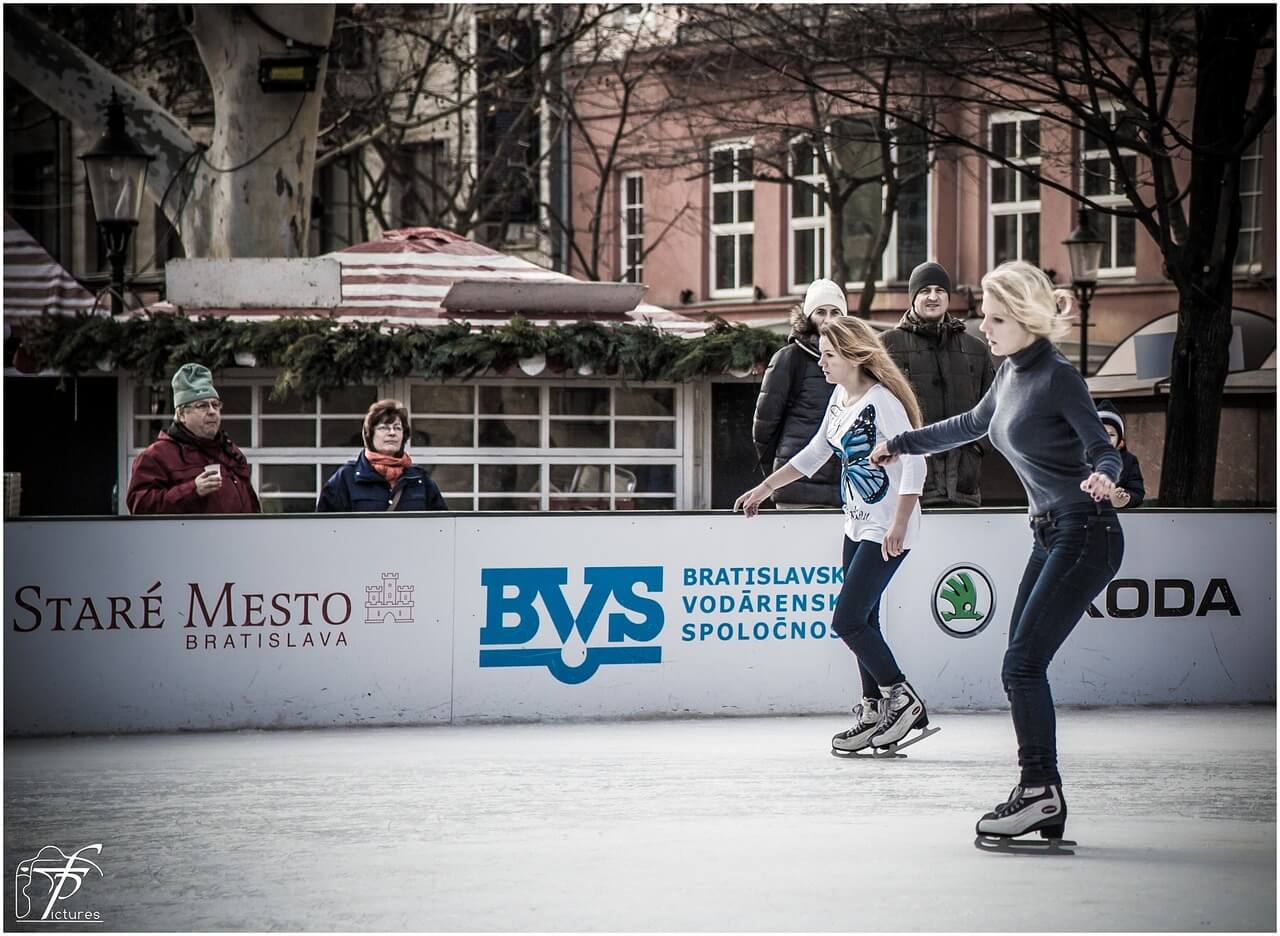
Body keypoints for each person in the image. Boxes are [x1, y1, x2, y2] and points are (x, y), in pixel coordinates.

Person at [871, 260, 1124, 848]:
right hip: (1049, 531)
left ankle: (1038, 792)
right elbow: (968, 424)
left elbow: (1099, 446)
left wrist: (1103, 476)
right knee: (1019, 661)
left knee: (1021, 666)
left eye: (996, 318)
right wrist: (902, 443)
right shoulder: (1008, 372)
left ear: (1027, 319)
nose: (984, 328)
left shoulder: (1059, 377)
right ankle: (1044, 796)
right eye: (984, 316)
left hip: (1086, 529)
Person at [736, 315, 935, 756]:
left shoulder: (882, 401)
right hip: (856, 522)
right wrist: (765, 488)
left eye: (828, 355)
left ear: (852, 356)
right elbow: (816, 452)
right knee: (865, 620)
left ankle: (903, 698)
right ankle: (873, 709)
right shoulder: (842, 397)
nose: (822, 363)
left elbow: (915, 463)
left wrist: (900, 524)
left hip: (886, 526)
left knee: (845, 620)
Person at [881, 260, 996, 507]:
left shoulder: (974, 348)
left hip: (964, 484)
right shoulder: (886, 347)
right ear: (913, 297)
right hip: (909, 485)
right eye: (925, 291)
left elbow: (995, 408)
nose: (933, 297)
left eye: (940, 290)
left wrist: (977, 448)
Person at [751, 279, 847, 509]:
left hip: (844, 491)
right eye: (820, 312)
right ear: (808, 316)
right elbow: (764, 427)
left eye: (835, 312)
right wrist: (780, 475)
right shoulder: (789, 358)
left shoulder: (854, 360)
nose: (828, 319)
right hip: (797, 490)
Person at [126, 363, 261, 515]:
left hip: (238, 538)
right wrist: (192, 490)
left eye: (215, 405)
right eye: (202, 406)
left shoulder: (230, 451)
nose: (212, 412)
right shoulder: (155, 457)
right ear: (182, 414)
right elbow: (140, 507)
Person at [317, 399, 447, 512]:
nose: (392, 433)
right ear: (370, 434)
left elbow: (441, 528)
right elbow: (325, 529)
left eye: (397, 428)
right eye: (384, 428)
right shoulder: (345, 478)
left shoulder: (419, 479)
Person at [1096, 400, 1145, 509]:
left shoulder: (1129, 461)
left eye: (1111, 434)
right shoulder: (1081, 460)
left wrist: (1126, 498)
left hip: (1116, 517)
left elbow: (1137, 491)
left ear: (1121, 441)